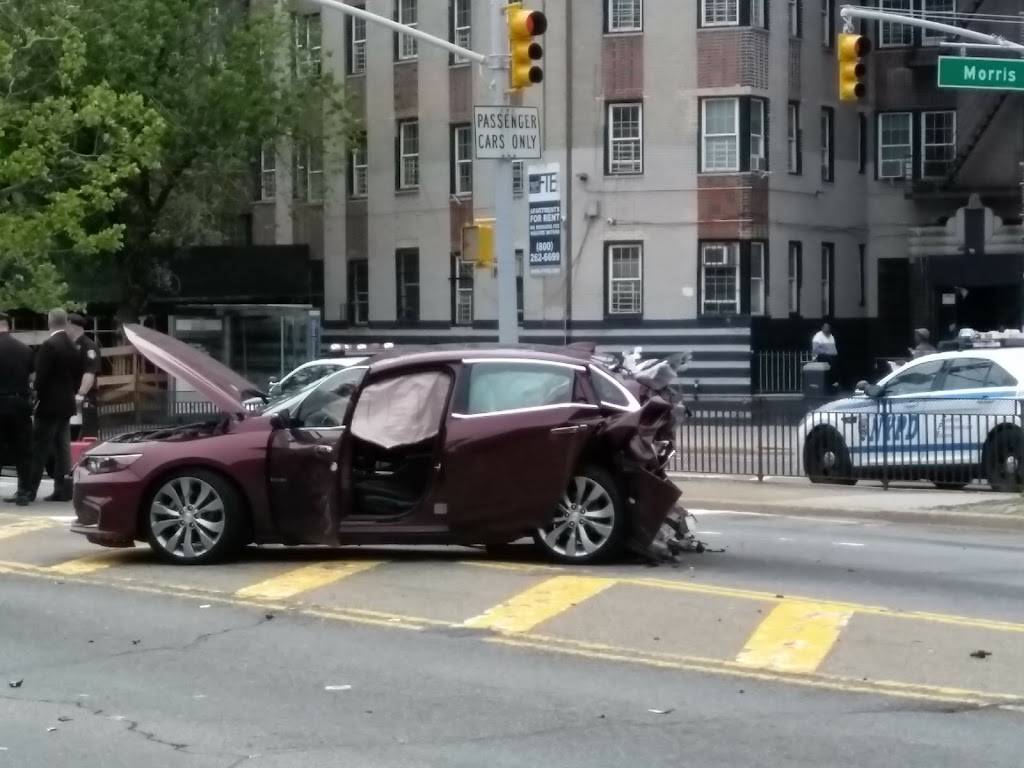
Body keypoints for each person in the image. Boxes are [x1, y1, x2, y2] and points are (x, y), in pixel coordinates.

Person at [25, 309, 81, 504]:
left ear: (50, 322)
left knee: (40, 447)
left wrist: (35, 394)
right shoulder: (73, 346)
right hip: (66, 403)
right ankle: (63, 489)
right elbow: (77, 376)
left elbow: (41, 379)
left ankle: (29, 489)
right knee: (62, 447)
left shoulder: (49, 346)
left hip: (49, 404)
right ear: (65, 322)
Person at [0, 313, 35, 505]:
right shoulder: (24, 349)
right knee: (23, 449)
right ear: (8, 326)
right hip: (20, 403)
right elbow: (32, 377)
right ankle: (23, 492)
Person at [67, 313, 100, 438]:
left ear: (71, 325)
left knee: (85, 435)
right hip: (69, 397)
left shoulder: (88, 346)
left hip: (83, 400)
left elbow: (89, 373)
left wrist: (80, 395)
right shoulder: (68, 345)